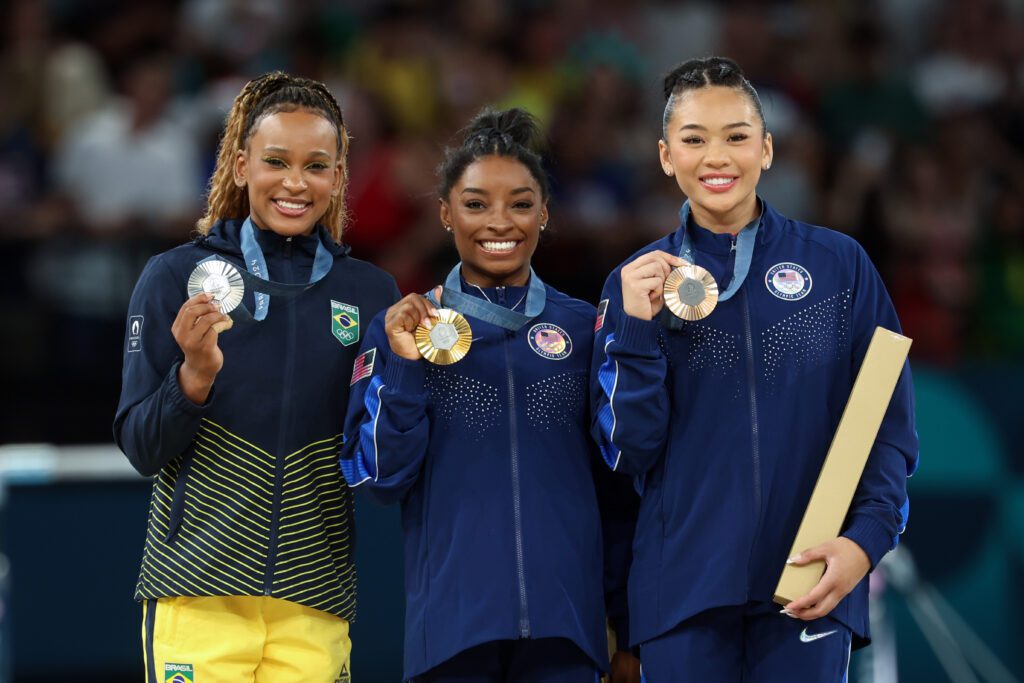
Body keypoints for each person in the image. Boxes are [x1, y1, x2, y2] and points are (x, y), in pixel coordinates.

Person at [590, 57, 919, 681]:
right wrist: (635, 328)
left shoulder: (839, 266)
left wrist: (864, 542)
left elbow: (886, 421)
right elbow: (627, 450)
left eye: (737, 137)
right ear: (665, 156)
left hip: (812, 579)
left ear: (767, 150)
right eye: (694, 140)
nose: (717, 157)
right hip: (682, 591)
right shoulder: (634, 283)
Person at [114, 71, 399, 683]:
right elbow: (140, 446)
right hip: (197, 592)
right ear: (241, 166)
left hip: (313, 599)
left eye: (316, 166)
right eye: (276, 161)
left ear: (338, 177)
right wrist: (193, 375)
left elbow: (383, 461)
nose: (296, 183)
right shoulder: (172, 277)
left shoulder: (370, 294)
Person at [340, 108, 638, 683]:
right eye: (476, 204)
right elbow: (377, 479)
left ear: (545, 214)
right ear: (445, 214)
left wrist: (625, 624)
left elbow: (619, 490)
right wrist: (404, 369)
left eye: (521, 203)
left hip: (567, 635)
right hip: (451, 635)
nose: (499, 221)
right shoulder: (403, 329)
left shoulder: (584, 329)